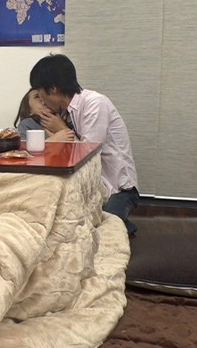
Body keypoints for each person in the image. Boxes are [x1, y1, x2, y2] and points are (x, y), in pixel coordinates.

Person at [29, 53, 139, 235]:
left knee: (101, 229)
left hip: (118, 189)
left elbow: (88, 156)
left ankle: (123, 225)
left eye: (41, 96)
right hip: (91, 186)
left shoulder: (94, 104)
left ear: (53, 89)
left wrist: (61, 129)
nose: (42, 102)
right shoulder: (66, 111)